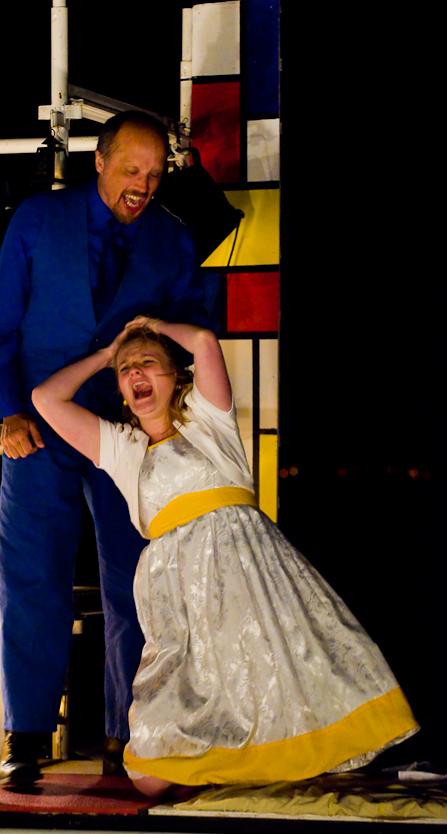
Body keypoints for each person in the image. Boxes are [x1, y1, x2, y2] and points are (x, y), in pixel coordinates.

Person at [31, 316, 419, 798]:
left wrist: (152, 326)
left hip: (248, 576)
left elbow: (203, 341)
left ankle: (269, 765)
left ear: (177, 377)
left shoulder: (207, 417)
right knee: (149, 776)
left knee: (282, 690)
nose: (136, 373)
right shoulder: (123, 448)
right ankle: (225, 762)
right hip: (179, 600)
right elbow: (45, 399)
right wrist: (110, 354)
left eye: (148, 363)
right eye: (127, 371)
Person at [0, 112, 206, 781]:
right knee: (32, 579)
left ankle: (127, 734)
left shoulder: (173, 237)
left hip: (129, 437)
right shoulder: (36, 220)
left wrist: (163, 410)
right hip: (39, 430)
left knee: (136, 583)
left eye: (155, 174)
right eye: (131, 169)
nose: (143, 185)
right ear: (99, 160)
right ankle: (25, 736)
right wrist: (9, 412)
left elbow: (193, 332)